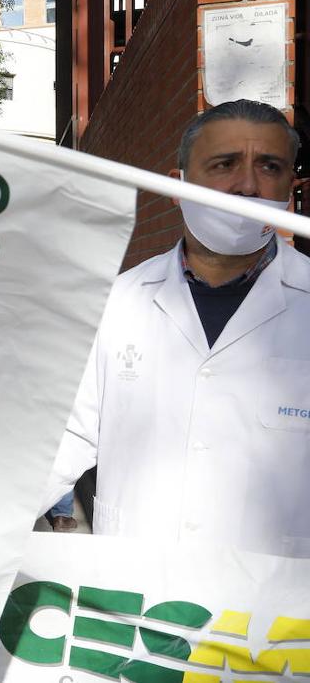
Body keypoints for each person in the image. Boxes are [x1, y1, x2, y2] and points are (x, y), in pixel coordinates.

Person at [43, 99, 310, 556]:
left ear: (292, 188)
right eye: (224, 164)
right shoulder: (117, 301)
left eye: (269, 167)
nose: (247, 186)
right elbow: (60, 441)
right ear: (178, 186)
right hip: (132, 600)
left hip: (276, 611)